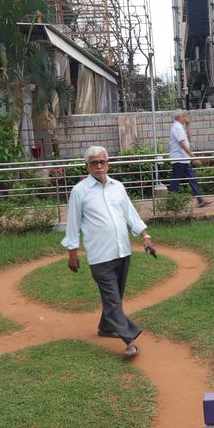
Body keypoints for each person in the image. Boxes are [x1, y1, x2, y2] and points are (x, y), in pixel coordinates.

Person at [62, 146, 156, 358]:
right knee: (113, 299)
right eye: (94, 163)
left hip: (122, 252)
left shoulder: (118, 187)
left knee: (115, 297)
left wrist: (146, 237)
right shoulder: (80, 191)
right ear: (87, 166)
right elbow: (73, 224)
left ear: (108, 164)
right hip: (100, 256)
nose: (99, 166)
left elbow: (130, 214)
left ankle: (106, 327)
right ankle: (129, 341)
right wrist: (73, 252)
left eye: (102, 162)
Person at [168, 110, 211, 208]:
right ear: (180, 117)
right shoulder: (177, 128)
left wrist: (188, 126)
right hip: (179, 159)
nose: (186, 117)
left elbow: (188, 139)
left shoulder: (180, 127)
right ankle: (171, 202)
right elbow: (182, 145)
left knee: (192, 179)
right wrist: (194, 157)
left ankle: (200, 200)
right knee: (176, 181)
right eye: (184, 116)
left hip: (183, 159)